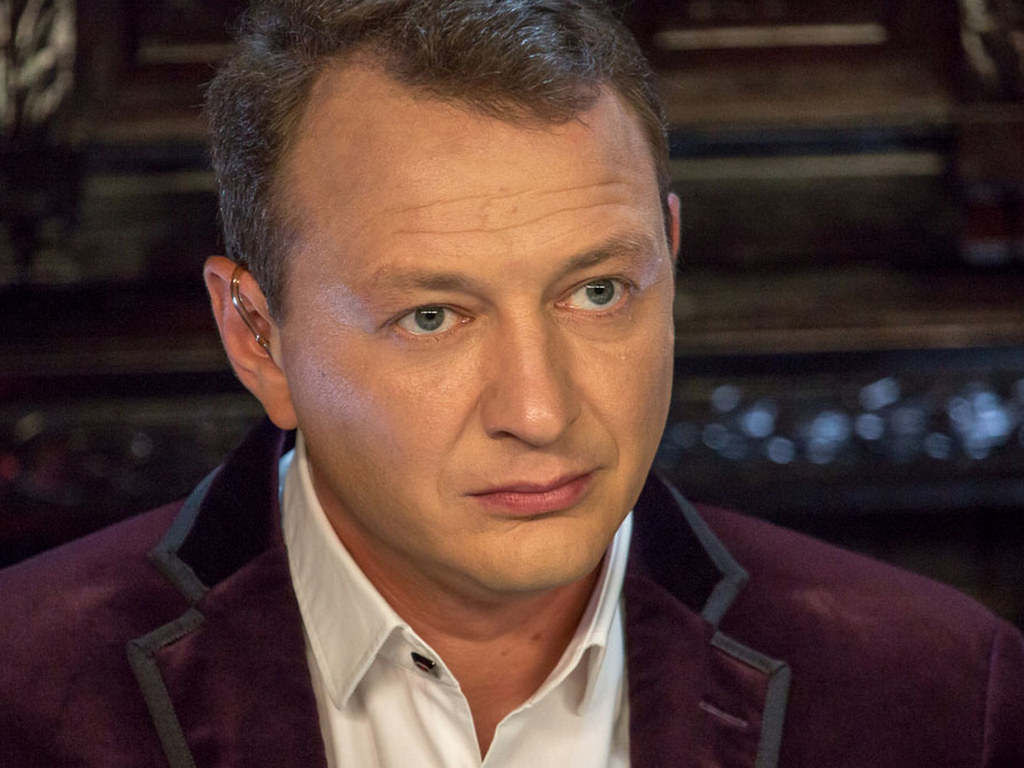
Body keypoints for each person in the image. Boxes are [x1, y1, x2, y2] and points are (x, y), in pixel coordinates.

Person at [1, 1, 1022, 765]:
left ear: (668, 261)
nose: (539, 412)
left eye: (597, 292)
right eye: (432, 316)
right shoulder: (25, 691)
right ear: (256, 336)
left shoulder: (942, 694)